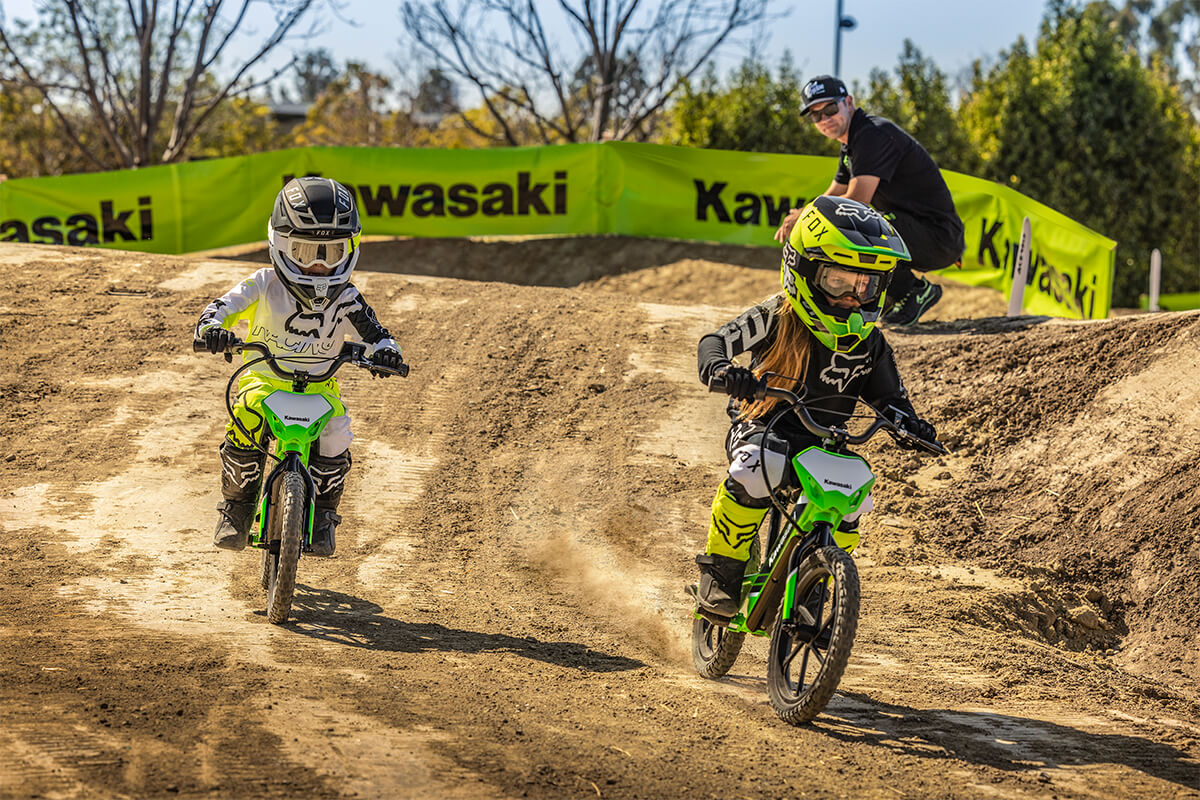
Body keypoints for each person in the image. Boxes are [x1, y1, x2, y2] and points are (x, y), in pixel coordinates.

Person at [695, 195, 937, 621]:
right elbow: (714, 342)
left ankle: (816, 584)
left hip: (826, 442)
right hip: (764, 426)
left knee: (856, 500)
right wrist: (723, 369)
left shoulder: (870, 341)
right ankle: (722, 574)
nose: (852, 297)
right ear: (803, 269)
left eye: (865, 285)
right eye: (839, 281)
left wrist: (907, 422)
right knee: (757, 467)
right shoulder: (777, 314)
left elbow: (890, 397)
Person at [195, 176, 406, 556]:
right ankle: (235, 509)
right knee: (247, 416)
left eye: (332, 252)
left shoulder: (347, 297)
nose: (321, 265)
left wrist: (387, 352)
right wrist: (212, 329)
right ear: (280, 245)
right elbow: (220, 308)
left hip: (320, 387)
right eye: (307, 252)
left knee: (337, 433)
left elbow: (377, 333)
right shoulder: (263, 283)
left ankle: (324, 516)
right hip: (263, 380)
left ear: (351, 249)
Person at [774, 75, 965, 327]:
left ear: (849, 102)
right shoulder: (851, 144)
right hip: (921, 230)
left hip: (938, 237)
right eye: (815, 115)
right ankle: (879, 298)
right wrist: (801, 214)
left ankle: (915, 291)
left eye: (830, 109)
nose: (824, 119)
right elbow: (830, 196)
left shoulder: (872, 134)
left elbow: (854, 201)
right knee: (833, 225)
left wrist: (802, 216)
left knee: (854, 223)